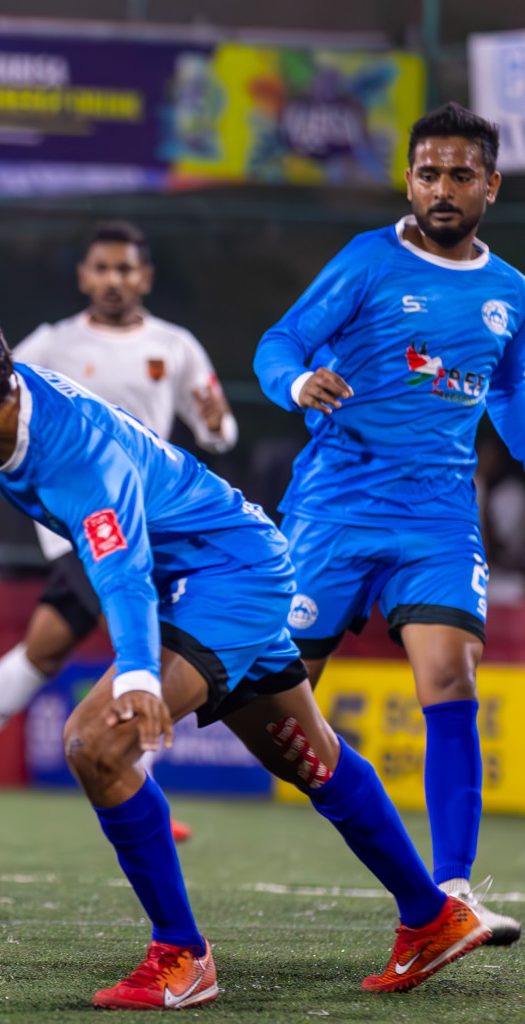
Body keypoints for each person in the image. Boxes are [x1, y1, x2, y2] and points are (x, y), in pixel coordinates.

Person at [0, 287, 491, 1009]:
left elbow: (120, 571)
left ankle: (181, 957)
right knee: (307, 755)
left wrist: (136, 676)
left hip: (227, 579)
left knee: (95, 744)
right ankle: (432, 917)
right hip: (215, 572)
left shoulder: (78, 456)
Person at [254, 102, 525, 946]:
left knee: (452, 680)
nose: (441, 189)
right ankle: (141, 791)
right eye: (426, 173)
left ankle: (451, 892)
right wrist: (297, 385)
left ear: (491, 182)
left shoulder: (510, 291)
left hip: (440, 518)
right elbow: (281, 341)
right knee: (269, 704)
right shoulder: (368, 262)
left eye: (459, 174)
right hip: (333, 511)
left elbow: (510, 392)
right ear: (408, 178)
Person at [0, 220, 237, 842]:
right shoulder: (52, 344)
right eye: (102, 268)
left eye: (126, 269)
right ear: (84, 276)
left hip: (148, 517)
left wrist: (219, 426)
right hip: (80, 524)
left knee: (46, 650)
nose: (114, 280)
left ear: (146, 277)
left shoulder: (177, 344)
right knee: (145, 642)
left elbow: (218, 430)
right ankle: (142, 791)